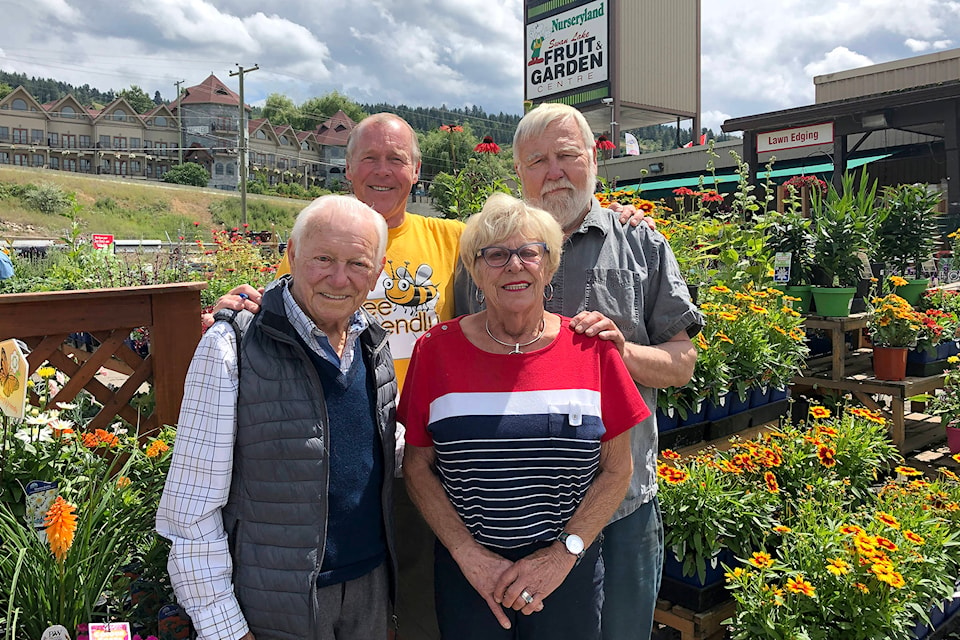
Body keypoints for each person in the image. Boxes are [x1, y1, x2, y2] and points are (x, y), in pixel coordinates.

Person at [209, 111, 654, 640]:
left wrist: (617, 211)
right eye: (369, 158)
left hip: (432, 460)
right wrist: (239, 306)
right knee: (361, 601)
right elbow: (292, 295)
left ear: (416, 170)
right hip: (347, 459)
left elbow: (520, 236)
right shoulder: (330, 235)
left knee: (423, 610)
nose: (383, 171)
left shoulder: (450, 238)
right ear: (346, 169)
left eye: (396, 159)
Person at [400, 193, 648, 639]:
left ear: (549, 266)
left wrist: (561, 556)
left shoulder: (591, 349)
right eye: (495, 254)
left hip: (566, 574)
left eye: (529, 252)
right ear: (476, 272)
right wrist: (468, 555)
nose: (514, 265)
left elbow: (618, 468)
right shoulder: (435, 351)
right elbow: (417, 466)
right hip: (469, 576)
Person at [156, 195, 398, 640]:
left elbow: (379, 452)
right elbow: (189, 512)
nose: (338, 278)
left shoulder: (373, 347)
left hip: (368, 588)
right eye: (322, 258)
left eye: (357, 264)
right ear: (291, 253)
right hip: (274, 604)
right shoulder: (232, 346)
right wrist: (225, 629)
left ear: (378, 270)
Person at [508, 103, 704, 640]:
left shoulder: (641, 242)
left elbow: (682, 364)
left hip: (622, 506)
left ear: (593, 158)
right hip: (520, 507)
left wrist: (623, 354)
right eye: (538, 160)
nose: (554, 172)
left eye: (568, 156)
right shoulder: (493, 251)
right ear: (519, 172)